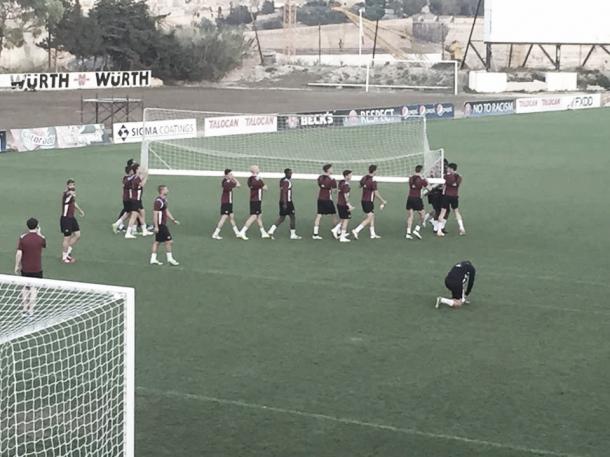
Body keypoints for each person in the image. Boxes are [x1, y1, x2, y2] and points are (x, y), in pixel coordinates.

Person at [14, 218, 46, 317]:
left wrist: (17, 265)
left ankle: (24, 309)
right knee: (34, 289)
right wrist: (39, 233)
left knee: (25, 288)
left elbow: (19, 253)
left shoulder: (23, 238)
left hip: (26, 268)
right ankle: (31, 311)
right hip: (37, 268)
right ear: (37, 226)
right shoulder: (41, 238)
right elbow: (44, 244)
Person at [352, 165, 386, 239]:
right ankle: (356, 230)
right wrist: (382, 200)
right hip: (368, 202)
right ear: (374, 171)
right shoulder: (373, 181)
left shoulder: (364, 178)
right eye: (376, 170)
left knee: (372, 215)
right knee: (370, 218)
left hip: (363, 200)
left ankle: (372, 233)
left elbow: (359, 186)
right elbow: (376, 193)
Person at [268, 168, 302, 240]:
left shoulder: (282, 180)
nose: (291, 174)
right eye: (290, 173)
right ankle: (293, 234)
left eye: (291, 173)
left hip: (282, 201)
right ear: (286, 173)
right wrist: (285, 203)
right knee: (292, 217)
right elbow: (284, 192)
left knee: (282, 218)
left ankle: (271, 231)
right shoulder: (287, 182)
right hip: (287, 202)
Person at [150, 185, 180, 266]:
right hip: (160, 225)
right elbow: (155, 214)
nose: (168, 190)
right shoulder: (158, 202)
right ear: (162, 190)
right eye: (166, 189)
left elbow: (166, 211)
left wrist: (173, 219)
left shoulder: (164, 200)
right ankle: (170, 259)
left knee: (157, 242)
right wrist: (156, 226)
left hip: (161, 224)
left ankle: (153, 259)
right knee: (169, 241)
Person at [239, 165, 270, 240]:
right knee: (254, 216)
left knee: (259, 216)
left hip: (253, 199)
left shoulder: (250, 179)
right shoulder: (257, 180)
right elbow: (266, 188)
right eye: (258, 168)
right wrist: (262, 180)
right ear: (255, 170)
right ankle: (242, 232)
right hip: (256, 200)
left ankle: (263, 233)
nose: (259, 169)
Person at [436, 162, 465, 237]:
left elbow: (441, 178)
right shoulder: (460, 177)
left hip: (447, 196)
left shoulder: (447, 176)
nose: (447, 169)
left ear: (452, 169)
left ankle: (439, 231)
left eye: (449, 168)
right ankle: (461, 227)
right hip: (455, 196)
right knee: (456, 211)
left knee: (442, 212)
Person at [313, 163, 340, 240]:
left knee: (319, 215)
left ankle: (315, 234)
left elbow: (321, 185)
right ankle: (338, 232)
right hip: (328, 199)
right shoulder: (332, 180)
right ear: (328, 170)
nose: (332, 170)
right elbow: (334, 191)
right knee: (334, 215)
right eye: (331, 168)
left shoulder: (320, 178)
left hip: (320, 199)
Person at [125, 163, 152, 239]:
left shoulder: (136, 177)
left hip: (138, 200)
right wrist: (146, 175)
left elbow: (142, 178)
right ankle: (128, 233)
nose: (141, 169)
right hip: (135, 200)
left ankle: (144, 230)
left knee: (142, 213)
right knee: (134, 216)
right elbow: (142, 184)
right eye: (139, 168)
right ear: (136, 170)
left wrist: (145, 174)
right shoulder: (136, 179)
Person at [213, 169, 241, 240]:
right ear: (227, 175)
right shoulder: (226, 183)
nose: (232, 175)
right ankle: (215, 234)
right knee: (224, 218)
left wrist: (232, 178)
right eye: (230, 174)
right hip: (226, 203)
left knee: (231, 217)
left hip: (229, 202)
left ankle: (237, 233)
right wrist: (234, 178)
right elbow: (238, 185)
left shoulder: (227, 181)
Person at [60, 179, 84, 263]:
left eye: (73, 185)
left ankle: (67, 251)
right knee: (67, 238)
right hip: (66, 219)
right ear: (67, 186)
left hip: (71, 218)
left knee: (78, 235)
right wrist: (71, 193)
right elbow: (68, 195)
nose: (72, 186)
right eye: (70, 185)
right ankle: (64, 256)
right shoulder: (67, 193)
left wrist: (80, 210)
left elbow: (73, 203)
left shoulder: (72, 194)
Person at [112, 159, 135, 233]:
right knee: (130, 212)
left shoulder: (125, 178)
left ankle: (120, 224)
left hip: (126, 198)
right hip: (129, 198)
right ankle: (118, 224)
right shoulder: (130, 179)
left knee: (129, 212)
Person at [406, 165, 428, 240]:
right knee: (423, 215)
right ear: (421, 171)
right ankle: (417, 229)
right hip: (417, 199)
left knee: (410, 216)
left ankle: (408, 233)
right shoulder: (421, 180)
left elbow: (410, 179)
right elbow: (429, 187)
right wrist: (425, 179)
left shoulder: (411, 178)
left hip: (410, 198)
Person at [336, 170, 354, 243]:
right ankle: (342, 237)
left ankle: (338, 231)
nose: (351, 176)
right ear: (346, 176)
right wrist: (349, 204)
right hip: (343, 204)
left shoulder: (341, 182)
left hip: (339, 203)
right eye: (350, 175)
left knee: (342, 219)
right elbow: (345, 195)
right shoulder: (346, 185)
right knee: (346, 219)